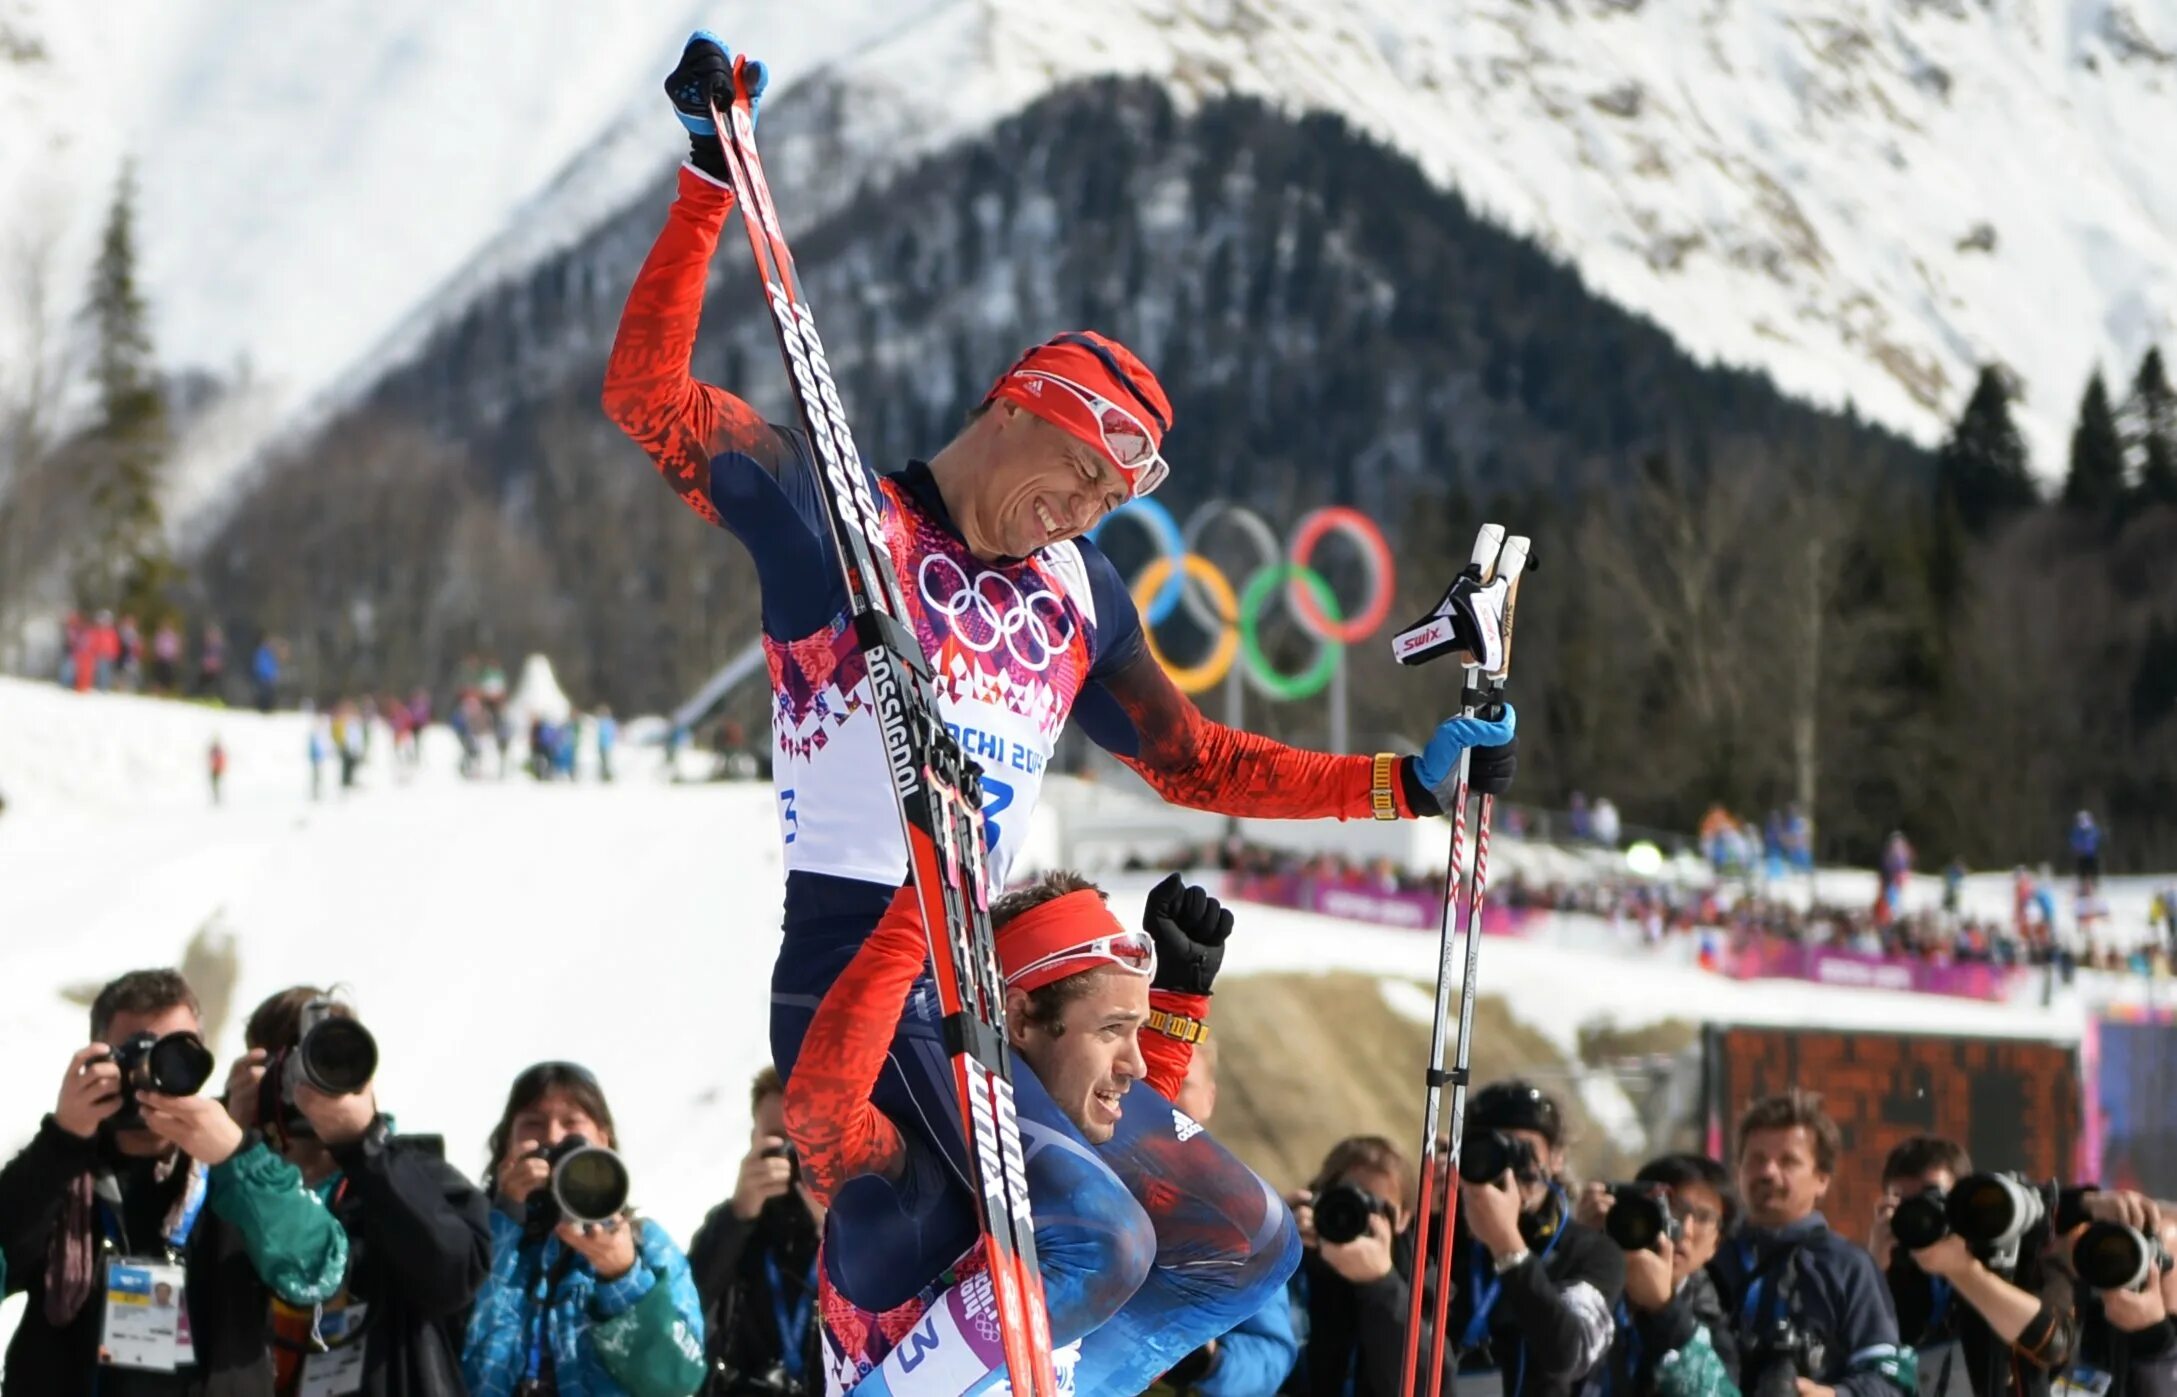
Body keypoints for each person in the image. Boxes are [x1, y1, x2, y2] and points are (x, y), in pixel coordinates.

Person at [782, 871, 1289, 1395]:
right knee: (1109, 1243)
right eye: (1111, 1029)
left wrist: (1179, 1006)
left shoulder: (1076, 1189)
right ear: (1020, 1022)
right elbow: (820, 1117)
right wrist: (915, 918)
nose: (1136, 1064)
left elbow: (1121, 1157)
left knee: (1254, 1240)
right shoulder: (920, 1161)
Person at [0, 968, 350, 1395]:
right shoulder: (60, 1171)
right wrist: (61, 1142)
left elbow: (316, 1268)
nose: (152, 1075)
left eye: (174, 1055)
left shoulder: (236, 1171)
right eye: (132, 1056)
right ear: (97, 1058)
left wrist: (237, 1157)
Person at [231, 986, 490, 1395]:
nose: (308, 1082)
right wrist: (234, 1144)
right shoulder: (223, 1184)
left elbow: (454, 1278)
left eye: (329, 1059)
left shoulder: (418, 1176)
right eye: (290, 1065)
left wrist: (365, 1148)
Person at [462, 1061, 707, 1397]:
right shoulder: (469, 1234)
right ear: (507, 1143)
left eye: (571, 1124)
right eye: (533, 1124)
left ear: (602, 1140)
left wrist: (623, 1277)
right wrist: (504, 1220)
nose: (552, 1136)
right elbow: (453, 1353)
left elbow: (678, 1381)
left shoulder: (645, 1244)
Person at [1714, 1089, 1914, 1397]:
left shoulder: (1848, 1267)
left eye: (1788, 1161)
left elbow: (1888, 1380)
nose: (1768, 1172)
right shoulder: (1710, 1257)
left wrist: (1832, 1395)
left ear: (1822, 1178)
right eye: (1756, 1159)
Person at [1443, 1080, 1625, 1397]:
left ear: (1556, 1159)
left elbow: (1567, 1355)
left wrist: (1508, 1248)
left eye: (1523, 1151)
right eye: (1494, 1149)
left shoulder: (1590, 1251)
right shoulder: (1439, 1236)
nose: (1508, 1168)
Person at [1150, 1034, 1300, 1396]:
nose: (1164, 1095)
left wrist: (1210, 1362)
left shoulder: (1249, 1211)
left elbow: (1272, 1355)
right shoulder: (1079, 1174)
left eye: (1183, 1084)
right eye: (1153, 1080)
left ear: (1209, 1098)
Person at [1870, 1136, 2075, 1397]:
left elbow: (2053, 1344)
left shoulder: (2020, 1253)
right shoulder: (1886, 1269)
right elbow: (1843, 1359)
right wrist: (1872, 1270)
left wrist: (1963, 1271)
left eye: (1932, 1198)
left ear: (1962, 1199)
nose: (1922, 1216)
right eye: (1905, 1205)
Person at [688, 1068, 823, 1395]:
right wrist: (739, 1213)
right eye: (779, 1140)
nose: (792, 1159)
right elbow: (687, 1305)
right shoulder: (736, 1226)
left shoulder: (860, 1224)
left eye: (804, 1142)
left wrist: (836, 1229)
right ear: (754, 1141)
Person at [1577, 1153, 1740, 1397]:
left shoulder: (1713, 1330)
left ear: (1716, 1246)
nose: (1685, 1229)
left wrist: (1665, 1309)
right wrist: (1579, 1249)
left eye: (1704, 1217)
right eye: (1672, 1210)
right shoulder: (1588, 1292)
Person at [2071, 813, 2103, 889]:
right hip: (2081, 855)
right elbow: (2074, 841)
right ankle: (2083, 886)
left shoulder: (2094, 829)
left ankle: (2094, 885)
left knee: (2093, 871)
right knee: (2082, 872)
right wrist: (2077, 848)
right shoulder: (2077, 830)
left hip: (2092, 855)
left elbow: (2098, 840)